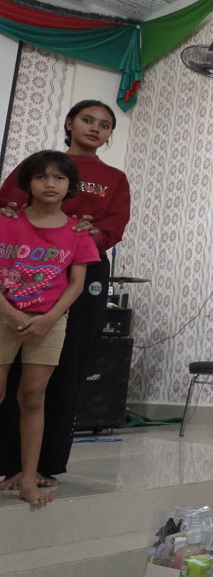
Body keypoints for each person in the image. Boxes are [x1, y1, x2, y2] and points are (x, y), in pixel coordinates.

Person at [0, 100, 131, 489]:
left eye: (104, 125)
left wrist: (87, 235)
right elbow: (8, 204)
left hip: (82, 268)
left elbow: (114, 225)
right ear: (70, 122)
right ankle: (10, 463)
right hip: (25, 266)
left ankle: (46, 465)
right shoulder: (37, 165)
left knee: (66, 363)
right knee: (13, 370)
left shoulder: (115, 178)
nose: (95, 128)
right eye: (87, 120)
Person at [0, 151, 101, 505]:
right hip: (4, 316)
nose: (50, 183)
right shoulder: (5, 221)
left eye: (59, 178)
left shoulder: (77, 232)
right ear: (27, 183)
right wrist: (11, 315)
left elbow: (76, 284)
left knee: (33, 397)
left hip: (50, 322)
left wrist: (48, 319)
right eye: (41, 177)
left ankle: (29, 479)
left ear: (70, 185)